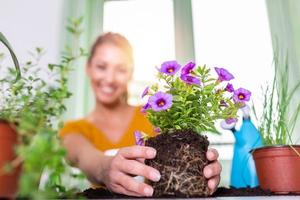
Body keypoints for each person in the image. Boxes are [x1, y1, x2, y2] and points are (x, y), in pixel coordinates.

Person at [59, 32, 222, 197]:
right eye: (102, 66)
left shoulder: (154, 115)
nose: (110, 78)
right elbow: (83, 157)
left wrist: (201, 169)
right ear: (88, 68)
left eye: (121, 69)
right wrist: (106, 168)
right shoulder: (74, 130)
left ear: (130, 73)